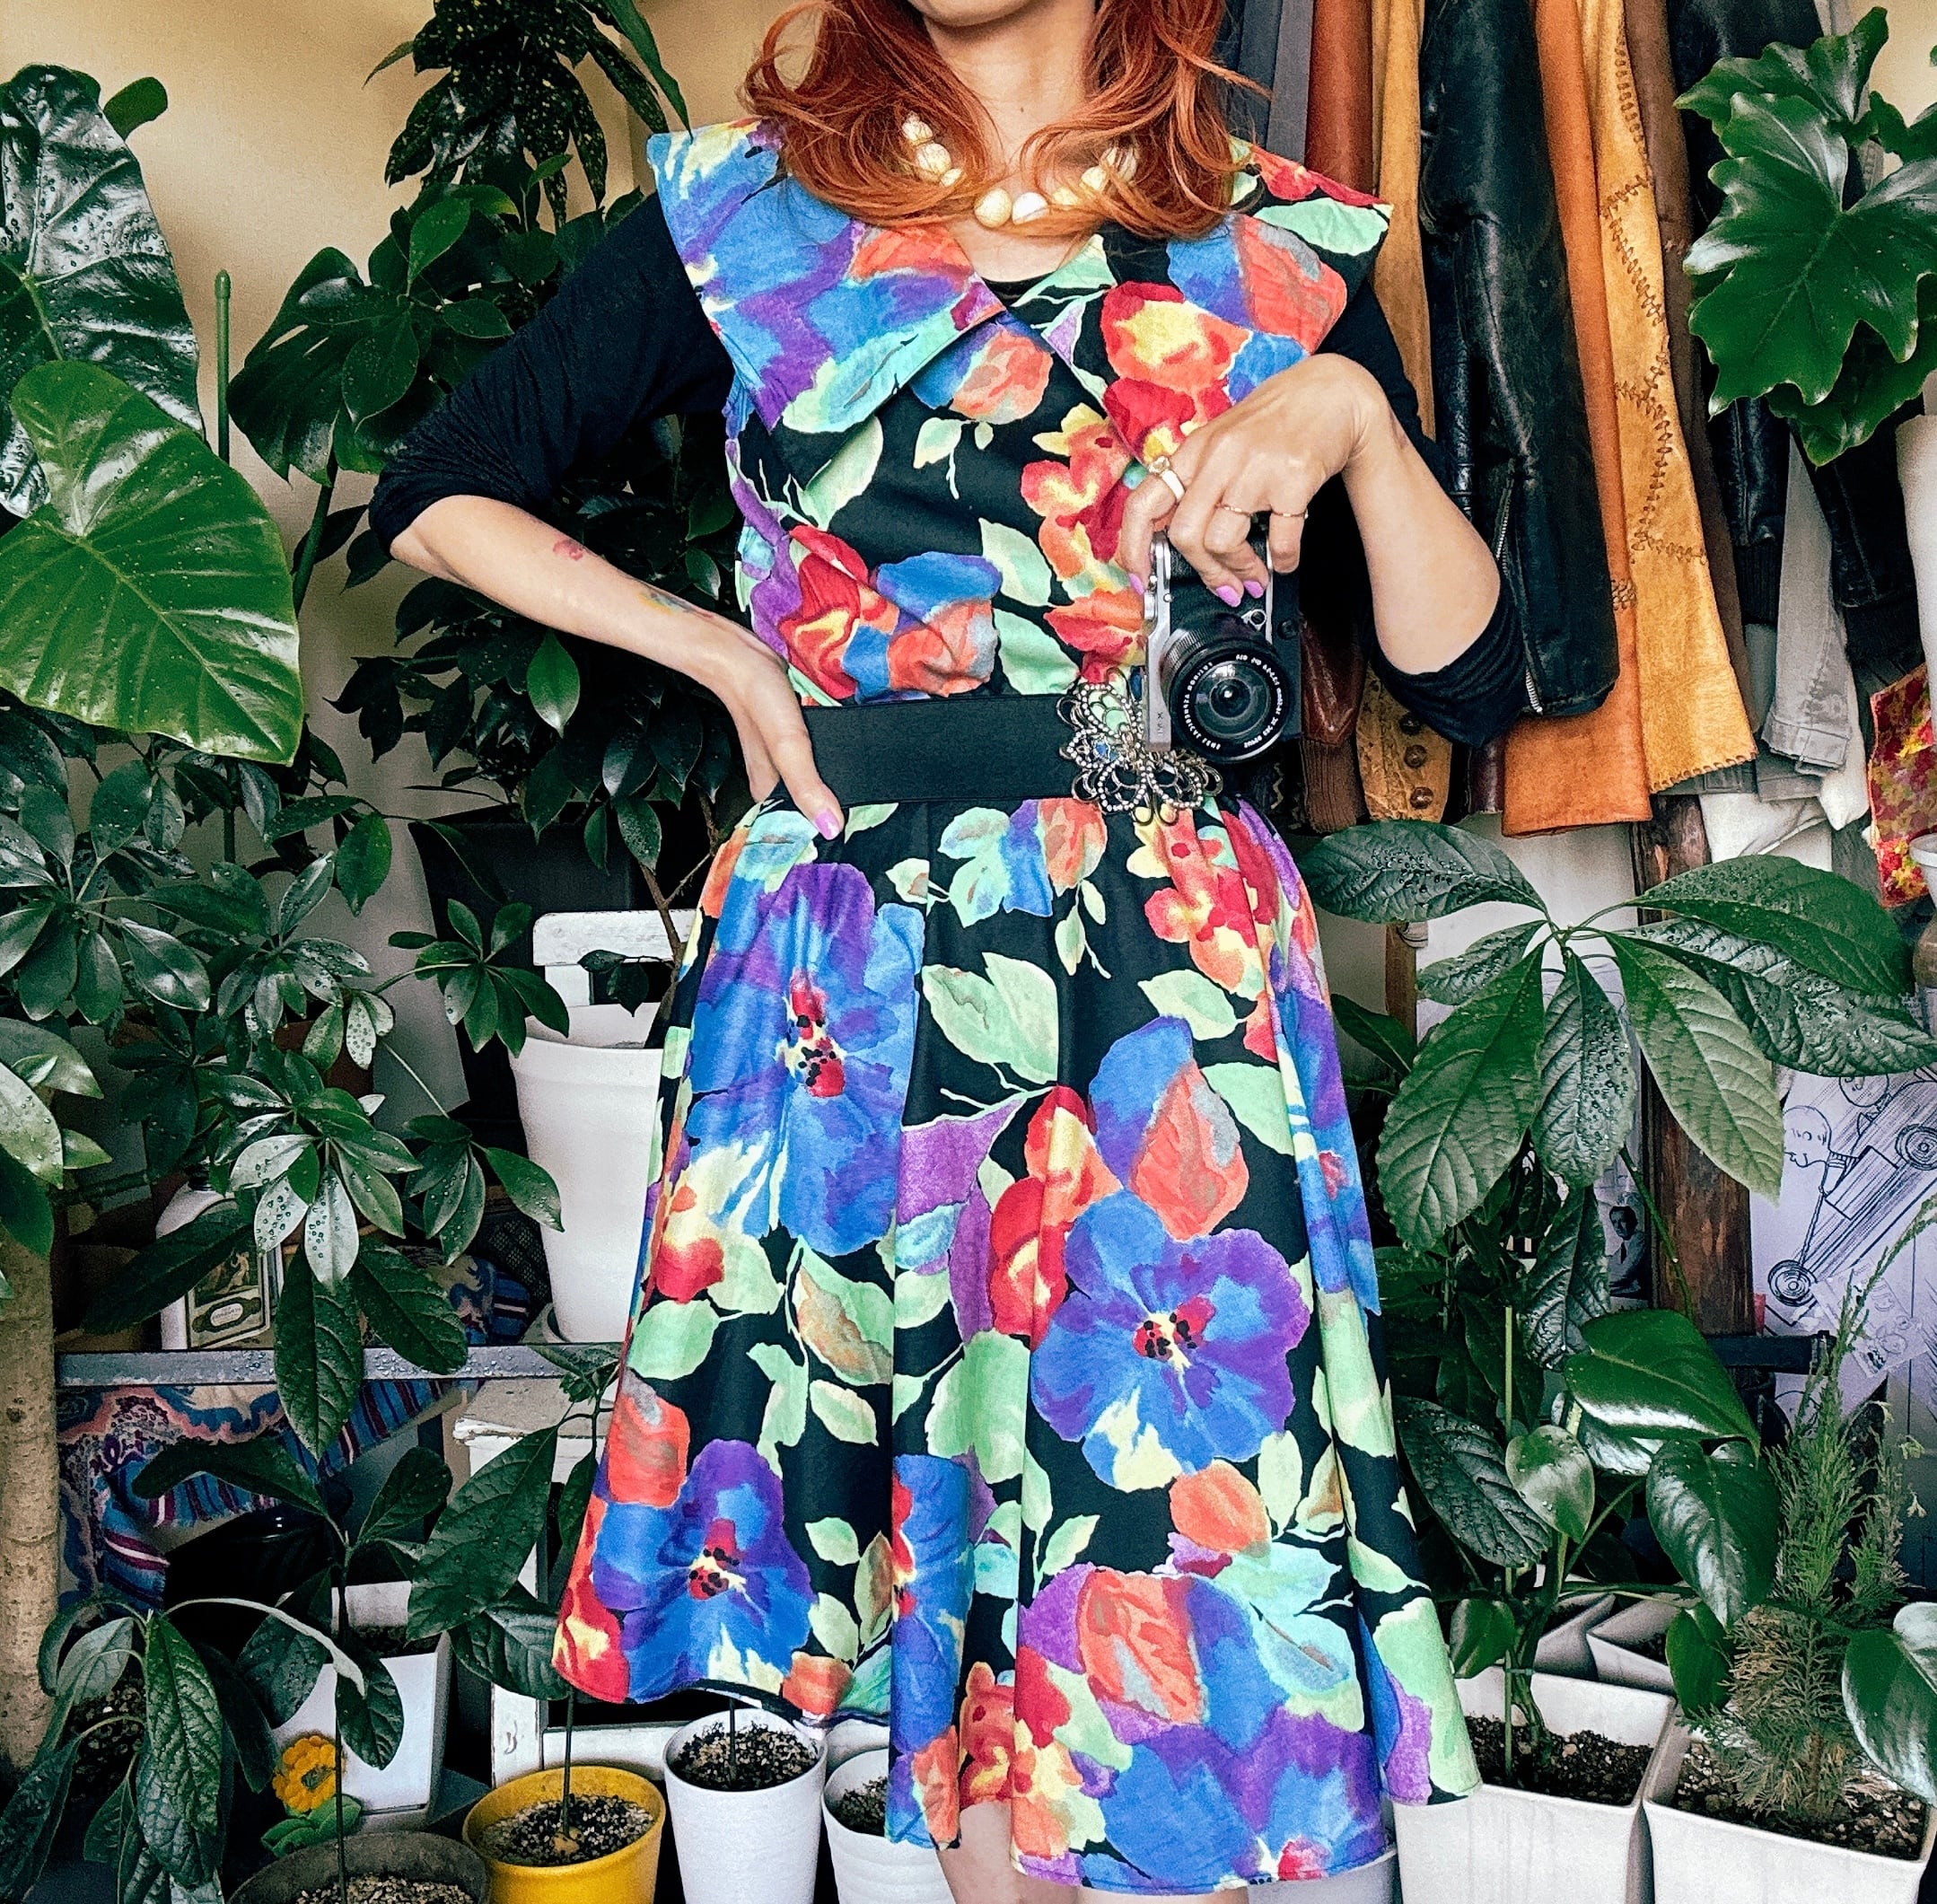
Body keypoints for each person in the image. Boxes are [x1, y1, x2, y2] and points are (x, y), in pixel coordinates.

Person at [372, 3, 1519, 1895]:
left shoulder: (1275, 243)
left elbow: (1466, 671)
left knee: (1155, 1528)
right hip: (854, 968)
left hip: (1169, 982)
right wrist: (718, 651)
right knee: (950, 1564)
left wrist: (1358, 421)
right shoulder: (750, 216)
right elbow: (438, 491)